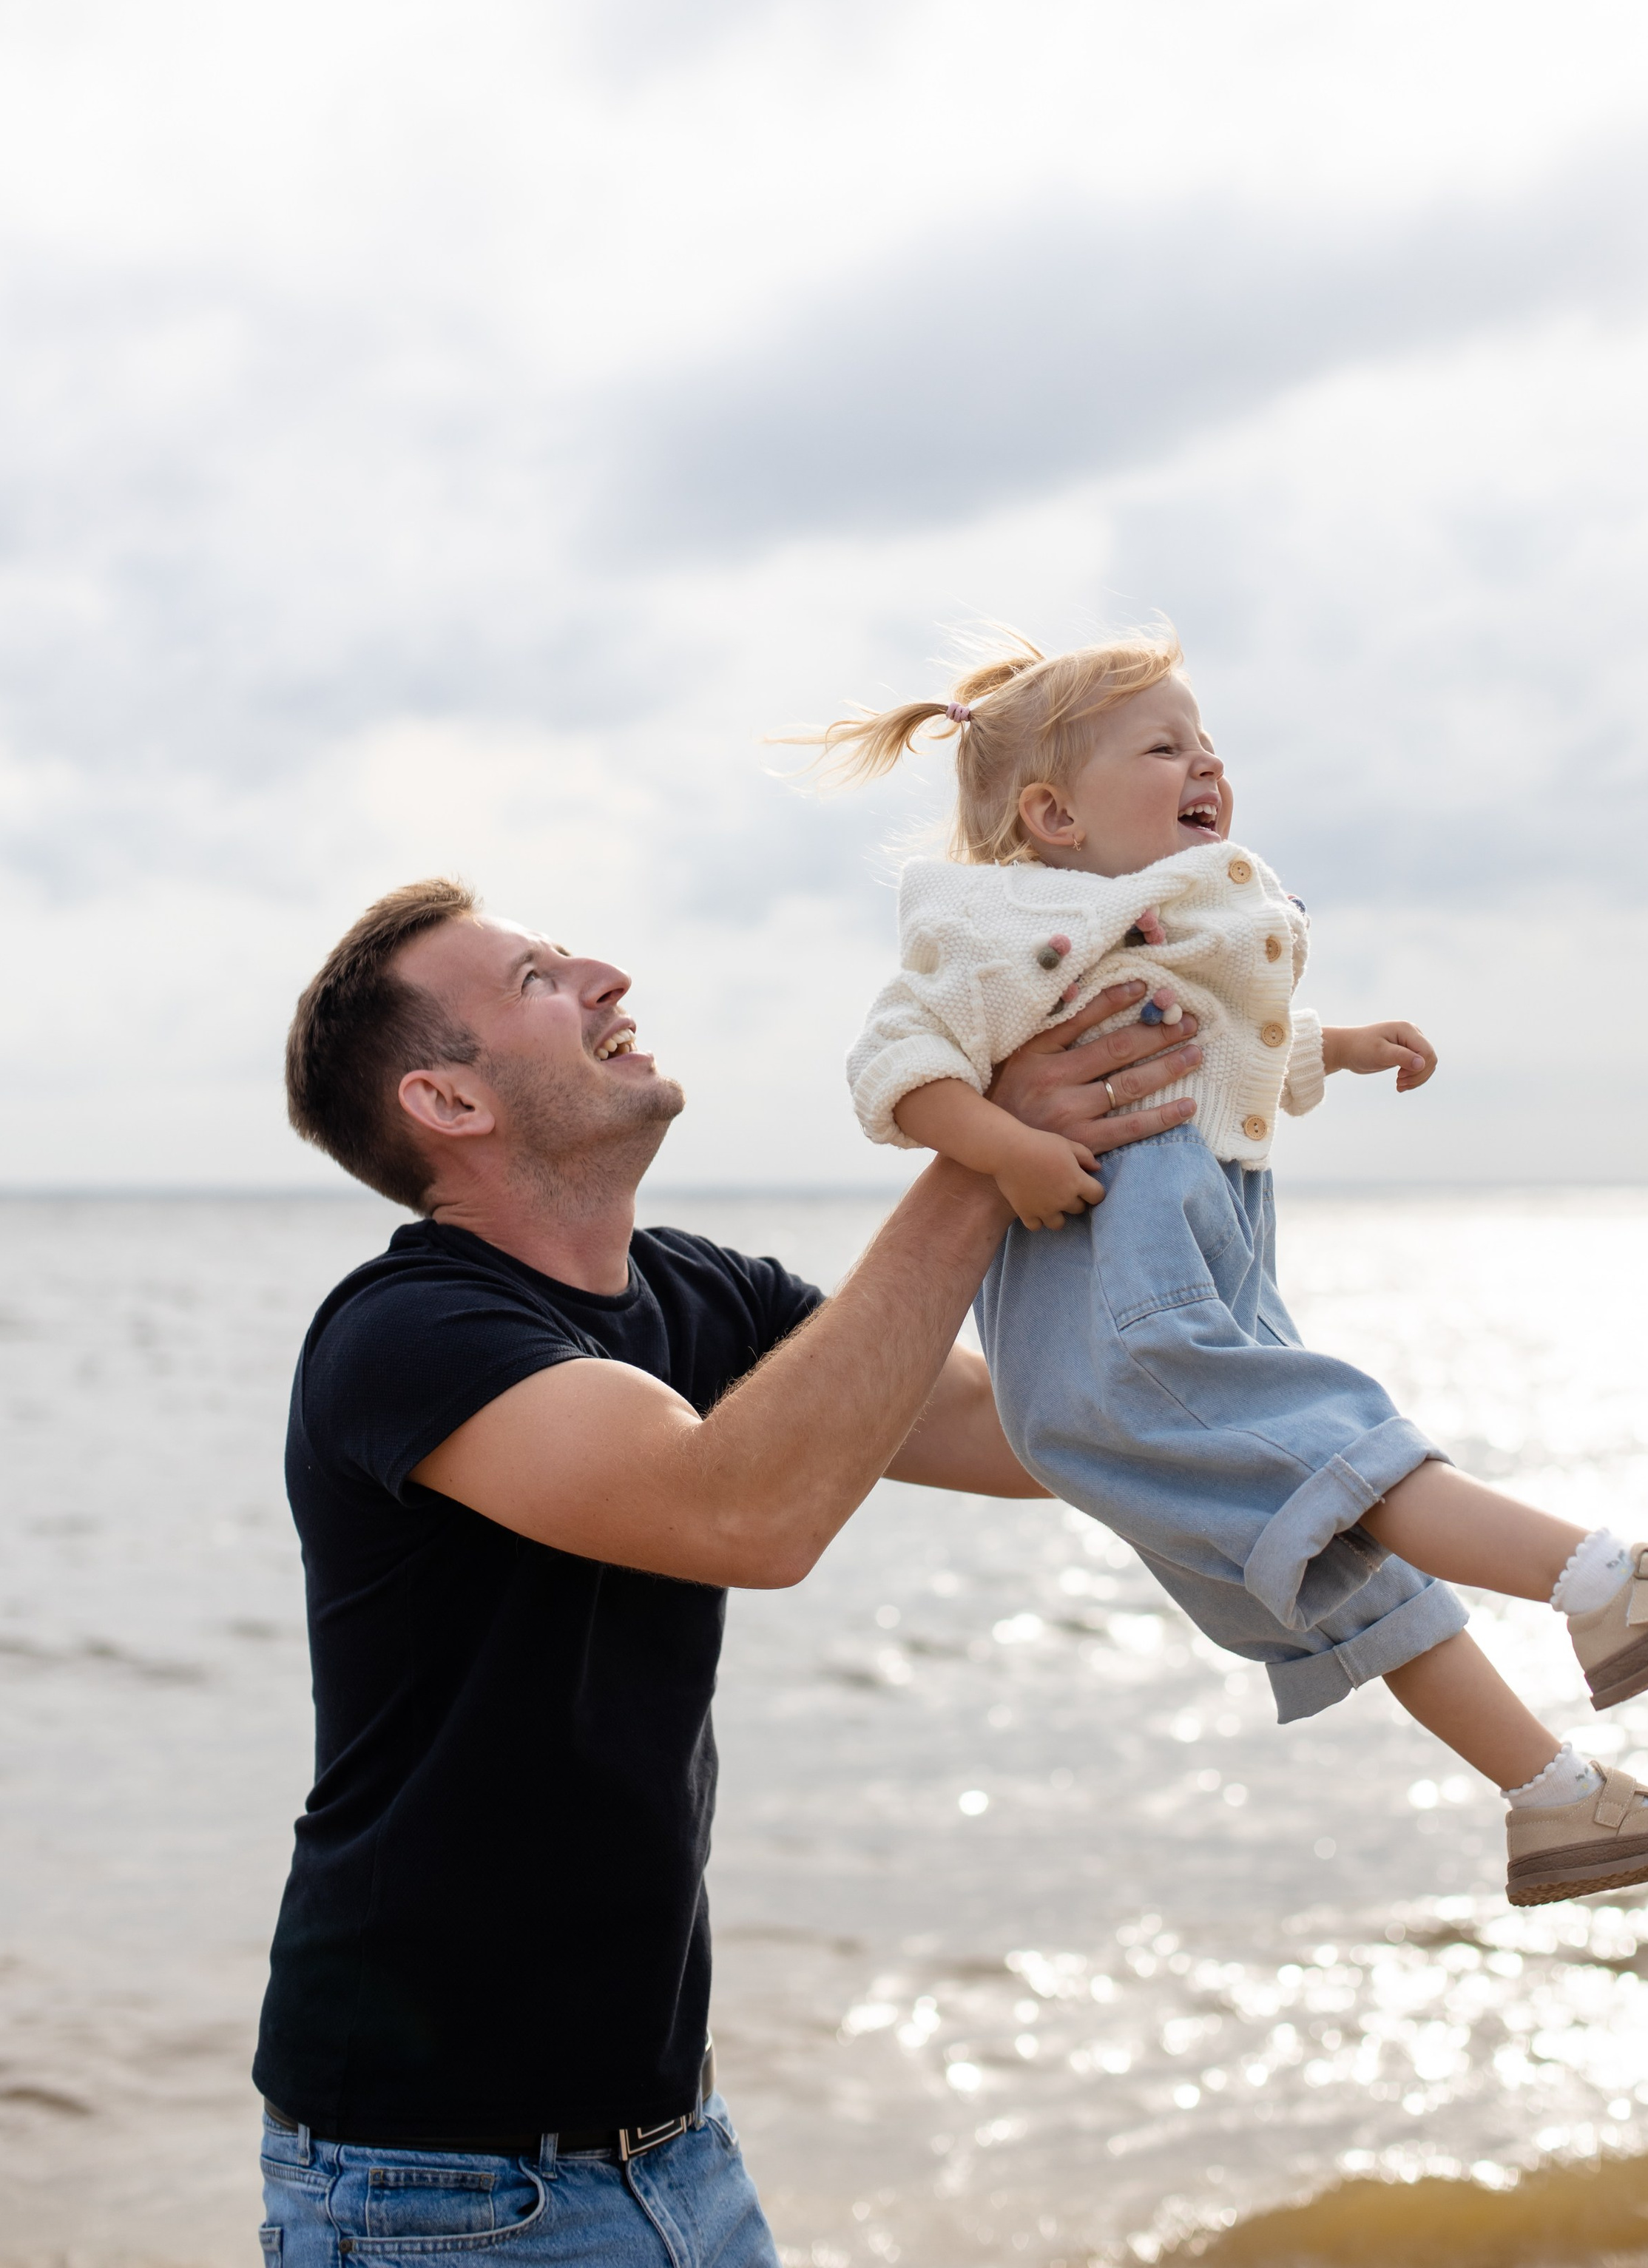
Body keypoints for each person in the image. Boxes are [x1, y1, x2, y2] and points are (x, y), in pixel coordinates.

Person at [804, 628, 1648, 1909]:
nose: (1208, 763)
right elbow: (896, 1070)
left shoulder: (1166, 924)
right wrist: (1005, 1149)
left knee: (1355, 1569)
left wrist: (1334, 1046)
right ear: (1053, 814)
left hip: (1196, 1282)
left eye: (1209, 743)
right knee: (1342, 1448)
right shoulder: (1002, 924)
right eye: (1166, 745)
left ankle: (1559, 1803)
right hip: (1121, 1315)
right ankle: (1608, 1583)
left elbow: (1216, 1057)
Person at [254, 874, 1205, 2267]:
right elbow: (747, 1515)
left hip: (673, 2146)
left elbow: (1041, 1432)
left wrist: (1198, 1136)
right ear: (448, 1104)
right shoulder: (406, 1335)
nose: (606, 978)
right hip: (437, 2188)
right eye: (535, 980)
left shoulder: (705, 1297)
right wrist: (982, 1151)